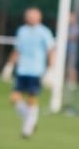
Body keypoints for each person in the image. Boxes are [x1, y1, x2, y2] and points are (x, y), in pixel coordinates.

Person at [4, 7, 55, 139]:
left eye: (33, 16)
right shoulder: (22, 31)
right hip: (22, 70)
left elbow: (51, 51)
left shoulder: (44, 32)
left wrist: (50, 70)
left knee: (31, 99)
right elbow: (17, 50)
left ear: (39, 17)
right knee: (14, 98)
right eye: (29, 16)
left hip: (36, 71)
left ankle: (27, 129)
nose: (31, 18)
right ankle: (30, 121)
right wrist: (9, 65)